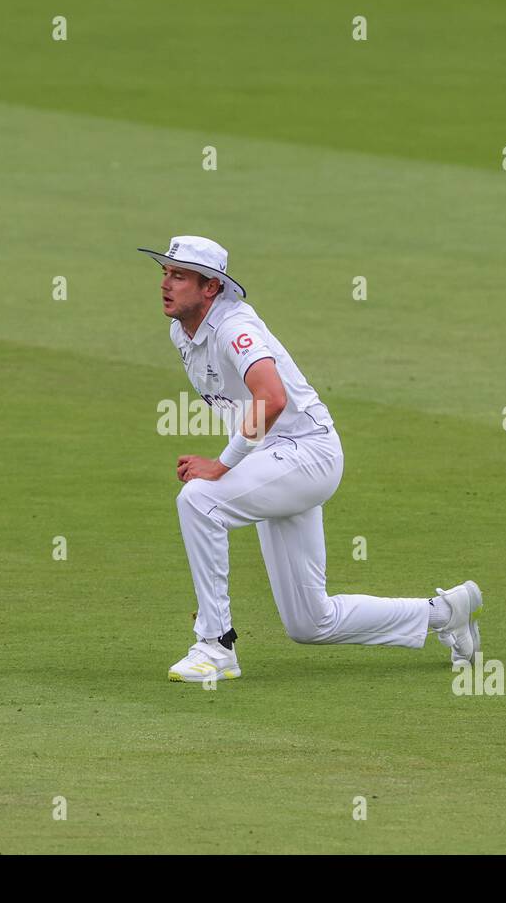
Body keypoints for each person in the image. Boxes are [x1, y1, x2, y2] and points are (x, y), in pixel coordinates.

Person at [138, 235, 483, 683]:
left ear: (210, 288)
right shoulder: (181, 331)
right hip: (272, 462)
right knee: (309, 622)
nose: (166, 283)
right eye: (165, 273)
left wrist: (223, 465)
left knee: (199, 499)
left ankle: (215, 646)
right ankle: (445, 614)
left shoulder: (233, 329)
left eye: (179, 276)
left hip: (308, 454)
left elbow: (272, 398)